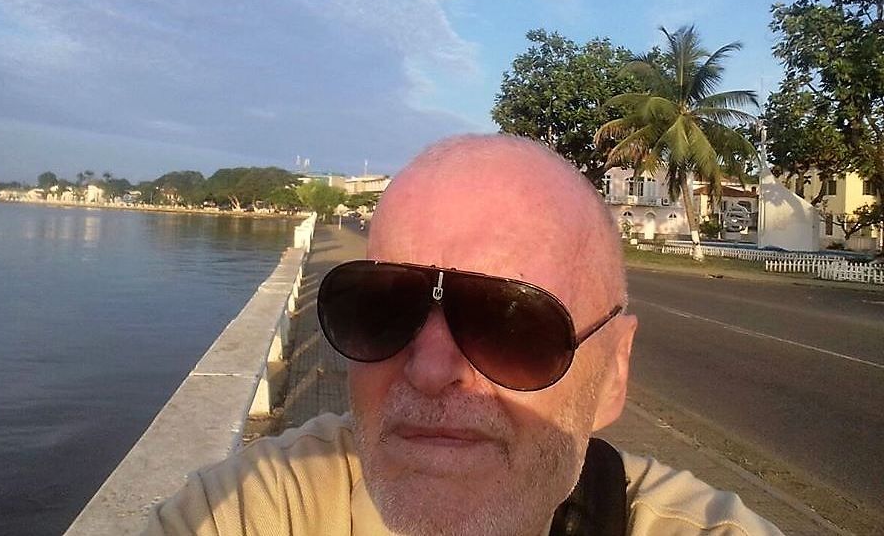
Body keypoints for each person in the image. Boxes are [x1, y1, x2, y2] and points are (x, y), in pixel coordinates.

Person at [145, 135, 782, 535]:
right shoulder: (257, 510)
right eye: (383, 308)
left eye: (511, 324)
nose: (428, 371)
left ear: (613, 373)